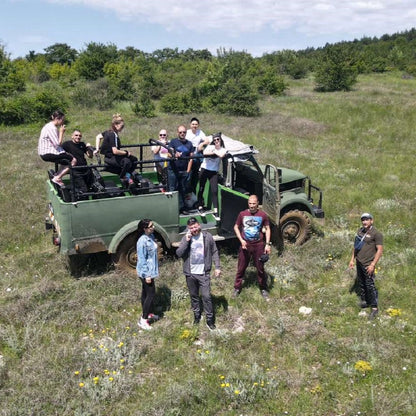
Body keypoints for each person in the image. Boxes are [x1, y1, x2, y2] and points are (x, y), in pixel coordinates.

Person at [176, 217, 221, 330]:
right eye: (191, 228)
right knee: (194, 296)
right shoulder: (186, 238)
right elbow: (179, 253)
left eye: (195, 226)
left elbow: (214, 251)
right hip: (190, 273)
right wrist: (186, 240)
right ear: (188, 228)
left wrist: (217, 267)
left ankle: (210, 320)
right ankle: (197, 316)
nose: (194, 229)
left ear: (199, 225)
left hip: (203, 272)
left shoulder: (207, 237)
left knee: (206, 296)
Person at [233, 195, 272, 300]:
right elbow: (236, 227)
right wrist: (241, 240)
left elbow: (267, 229)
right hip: (245, 245)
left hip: (258, 244)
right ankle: (237, 288)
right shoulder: (242, 214)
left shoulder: (262, 215)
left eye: (254, 203)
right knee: (241, 267)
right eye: (250, 203)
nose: (252, 206)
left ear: (257, 203)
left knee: (260, 268)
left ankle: (263, 288)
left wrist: (267, 244)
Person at [349, 212, 383, 320]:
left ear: (371, 221)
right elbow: (356, 246)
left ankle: (374, 308)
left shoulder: (376, 234)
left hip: (368, 264)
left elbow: (380, 250)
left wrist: (373, 264)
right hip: (359, 262)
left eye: (367, 219)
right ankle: (365, 302)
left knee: (370, 285)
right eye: (363, 220)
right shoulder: (360, 231)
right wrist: (352, 260)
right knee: (361, 283)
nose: (364, 222)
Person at [95, 113, 138, 187]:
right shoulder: (112, 134)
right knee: (127, 162)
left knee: (134, 159)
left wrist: (97, 148)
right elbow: (115, 151)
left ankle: (127, 175)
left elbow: (98, 137)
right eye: (122, 126)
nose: (122, 128)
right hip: (111, 158)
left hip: (111, 157)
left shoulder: (108, 131)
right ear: (116, 125)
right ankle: (123, 177)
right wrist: (126, 152)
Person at [38, 110, 77, 187]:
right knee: (73, 161)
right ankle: (57, 178)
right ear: (57, 119)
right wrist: (61, 132)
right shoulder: (52, 128)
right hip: (48, 152)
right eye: (62, 120)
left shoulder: (48, 126)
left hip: (44, 152)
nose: (62, 122)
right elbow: (57, 144)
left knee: (65, 160)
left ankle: (57, 175)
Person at [136, 219, 160, 330]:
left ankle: (149, 313)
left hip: (151, 270)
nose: (153, 227)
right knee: (150, 294)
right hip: (146, 272)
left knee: (145, 293)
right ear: (145, 228)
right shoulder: (142, 241)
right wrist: (147, 275)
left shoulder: (151, 236)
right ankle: (143, 319)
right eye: (151, 226)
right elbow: (142, 259)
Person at [197, 132, 227, 220]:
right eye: (214, 140)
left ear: (220, 140)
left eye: (218, 139)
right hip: (204, 169)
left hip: (213, 171)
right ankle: (200, 206)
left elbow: (221, 155)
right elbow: (204, 153)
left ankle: (216, 211)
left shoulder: (223, 149)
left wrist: (214, 152)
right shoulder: (210, 147)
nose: (216, 141)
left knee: (214, 190)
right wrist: (213, 151)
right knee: (201, 188)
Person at [167, 125, 194, 214]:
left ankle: (182, 208)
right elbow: (169, 153)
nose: (182, 134)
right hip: (173, 169)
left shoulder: (189, 144)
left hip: (184, 170)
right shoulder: (173, 141)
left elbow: (191, 158)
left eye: (184, 132)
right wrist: (174, 154)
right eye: (180, 132)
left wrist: (188, 170)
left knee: (182, 189)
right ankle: (172, 209)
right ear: (177, 133)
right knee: (172, 188)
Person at [186, 117, 210, 194]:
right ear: (190, 125)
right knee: (189, 175)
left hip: (196, 155)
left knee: (195, 175)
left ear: (198, 125)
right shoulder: (187, 133)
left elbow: (207, 140)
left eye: (196, 124)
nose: (194, 126)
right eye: (193, 124)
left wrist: (202, 144)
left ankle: (194, 192)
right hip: (188, 156)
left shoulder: (200, 132)